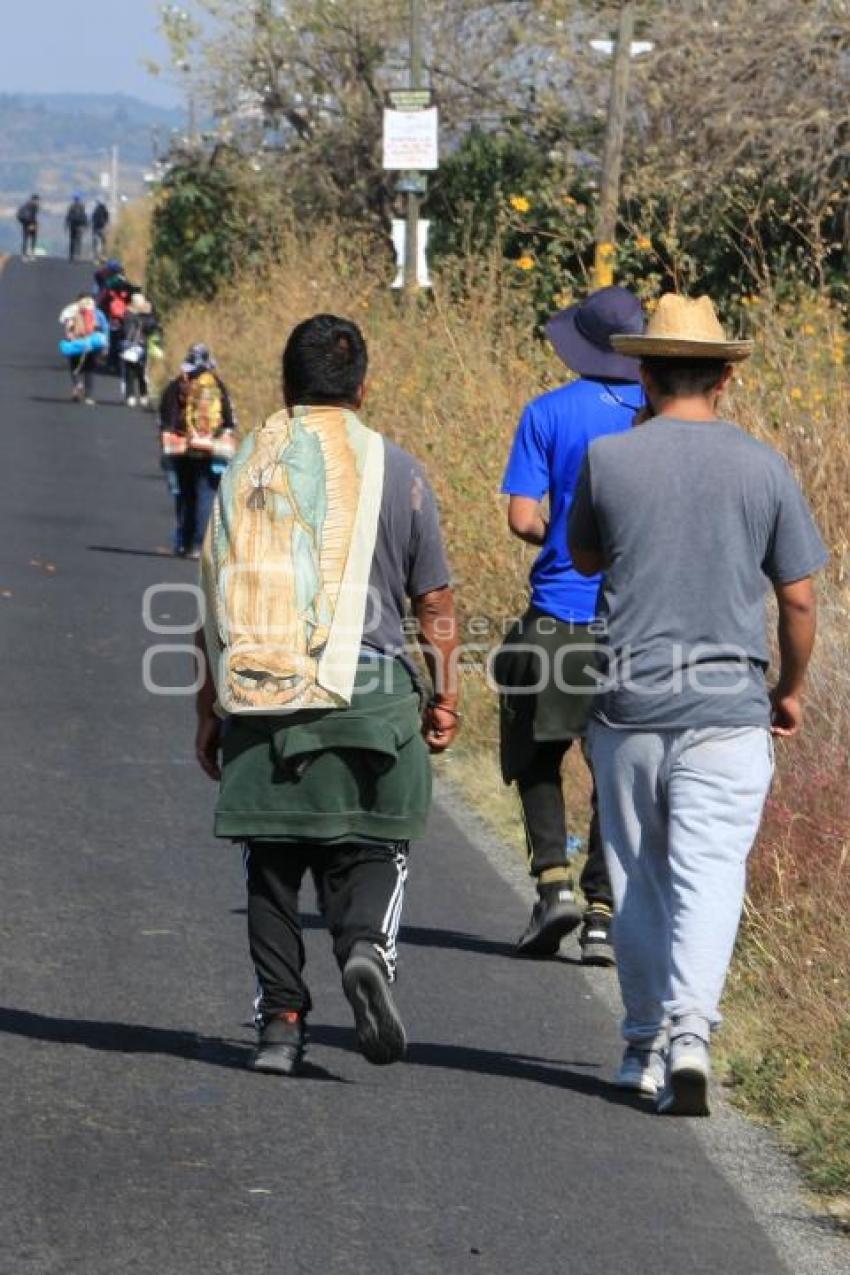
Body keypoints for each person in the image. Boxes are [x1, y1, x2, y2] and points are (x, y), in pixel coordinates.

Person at [568, 293, 828, 1116]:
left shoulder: (609, 459)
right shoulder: (765, 467)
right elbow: (798, 600)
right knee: (711, 875)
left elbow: (581, 553)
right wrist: (787, 689)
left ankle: (640, 1041)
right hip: (729, 705)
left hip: (630, 702)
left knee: (637, 874)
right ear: (725, 378)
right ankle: (692, 1034)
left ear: (644, 375)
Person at [195, 313, 460, 1077]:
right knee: (374, 842)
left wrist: (209, 707)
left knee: (271, 864)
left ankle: (280, 1022)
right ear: (364, 386)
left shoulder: (245, 468)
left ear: (285, 385)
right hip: (371, 694)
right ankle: (365, 947)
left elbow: (215, 601)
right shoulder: (400, 470)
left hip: (261, 695)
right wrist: (444, 699)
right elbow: (434, 605)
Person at [497, 286, 645, 963]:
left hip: (558, 613)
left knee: (535, 750)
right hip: (634, 619)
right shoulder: (656, 415)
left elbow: (521, 516)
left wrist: (559, 532)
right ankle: (601, 912)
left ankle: (552, 884)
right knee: (615, 768)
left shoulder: (546, 413)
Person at [159, 344, 237, 556]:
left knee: (184, 495)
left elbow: (166, 417)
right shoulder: (217, 386)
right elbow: (230, 420)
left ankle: (183, 541)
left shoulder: (177, 385)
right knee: (206, 494)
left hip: (182, 448)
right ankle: (200, 545)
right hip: (210, 448)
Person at [58, 293, 108, 404]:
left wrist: (69, 337)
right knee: (89, 370)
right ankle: (88, 396)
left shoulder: (72, 312)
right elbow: (104, 328)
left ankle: (77, 385)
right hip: (91, 344)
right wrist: (105, 346)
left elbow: (68, 328)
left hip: (76, 343)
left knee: (75, 367)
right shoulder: (97, 313)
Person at [95, 259, 137, 372]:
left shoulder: (114, 284)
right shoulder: (112, 283)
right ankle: (110, 358)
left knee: (114, 335)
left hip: (116, 314)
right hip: (114, 313)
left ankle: (111, 359)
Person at [120, 293, 159, 407]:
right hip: (129, 346)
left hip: (142, 347)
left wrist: (148, 314)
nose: (141, 305)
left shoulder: (146, 316)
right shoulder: (128, 314)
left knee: (141, 372)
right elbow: (126, 329)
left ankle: (143, 395)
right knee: (129, 372)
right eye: (139, 303)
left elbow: (151, 328)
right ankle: (130, 395)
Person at [65, 195, 88, 262]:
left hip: (72, 225)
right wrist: (85, 225)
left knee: (72, 240)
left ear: (74, 200)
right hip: (79, 226)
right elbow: (84, 216)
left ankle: (71, 255)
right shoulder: (82, 207)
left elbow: (68, 216)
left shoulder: (71, 207)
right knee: (79, 240)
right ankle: (78, 254)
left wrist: (66, 225)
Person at [16, 195, 40, 259]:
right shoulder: (34, 207)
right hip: (31, 224)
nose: (38, 202)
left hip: (25, 224)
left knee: (26, 239)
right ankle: (31, 254)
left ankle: (24, 255)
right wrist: (33, 224)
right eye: (37, 200)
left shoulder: (25, 205)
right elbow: (33, 216)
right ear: (35, 200)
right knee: (32, 239)